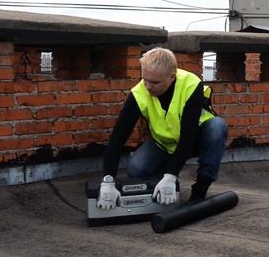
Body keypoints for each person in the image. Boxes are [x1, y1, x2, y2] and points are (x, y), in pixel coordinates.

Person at [96, 47, 227, 208]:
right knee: (137, 170)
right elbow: (118, 138)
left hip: (195, 141)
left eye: (155, 82)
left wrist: (171, 175)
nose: (148, 87)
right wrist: (108, 180)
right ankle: (163, 185)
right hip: (163, 144)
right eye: (145, 80)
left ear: (172, 77)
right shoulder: (139, 92)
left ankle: (199, 190)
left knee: (217, 126)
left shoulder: (191, 85)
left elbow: (188, 137)